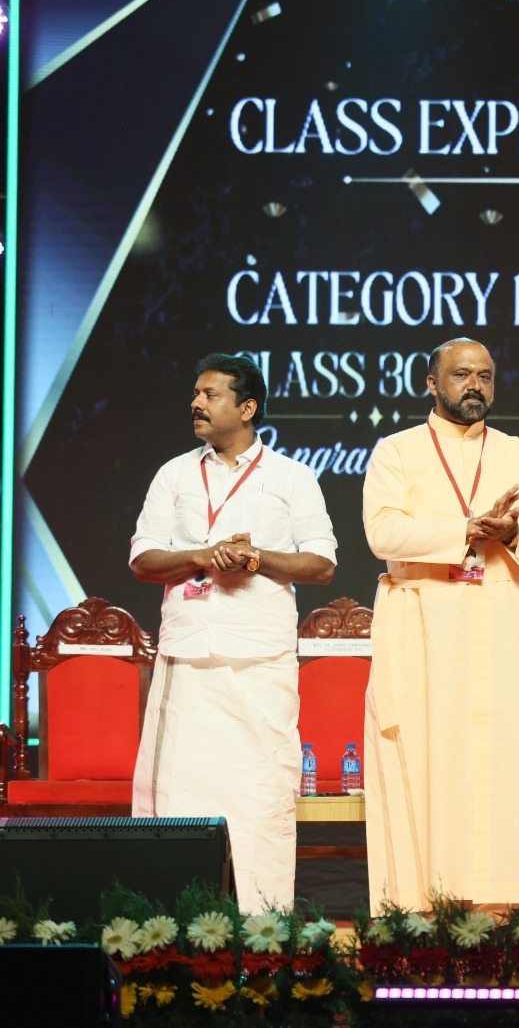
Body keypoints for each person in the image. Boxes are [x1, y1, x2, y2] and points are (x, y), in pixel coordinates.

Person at [362, 337, 519, 910]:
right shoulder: (397, 451)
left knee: (506, 763)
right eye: (461, 374)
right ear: (432, 383)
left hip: (505, 624)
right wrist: (465, 529)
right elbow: (383, 533)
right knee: (429, 761)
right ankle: (423, 905)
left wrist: (512, 532)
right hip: (426, 628)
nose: (475, 384)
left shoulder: (517, 453)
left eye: (485, 375)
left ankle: (509, 905)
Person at [130, 353, 337, 914]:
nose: (195, 403)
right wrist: (203, 555)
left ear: (247, 408)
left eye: (210, 395)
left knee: (260, 799)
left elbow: (321, 564)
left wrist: (255, 558)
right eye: (195, 394)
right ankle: (174, 926)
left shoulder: (292, 477)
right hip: (187, 659)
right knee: (178, 797)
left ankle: (264, 925)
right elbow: (143, 560)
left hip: (260, 662)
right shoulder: (174, 474)